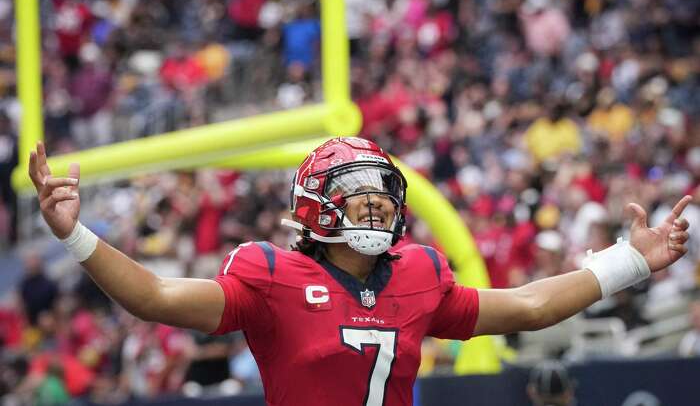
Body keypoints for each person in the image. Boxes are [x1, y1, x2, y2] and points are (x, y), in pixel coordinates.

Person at [28, 137, 692, 406]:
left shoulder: (418, 273)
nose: (374, 206)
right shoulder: (268, 275)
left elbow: (527, 306)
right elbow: (153, 296)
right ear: (314, 206)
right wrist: (76, 234)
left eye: (381, 195)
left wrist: (630, 258)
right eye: (357, 195)